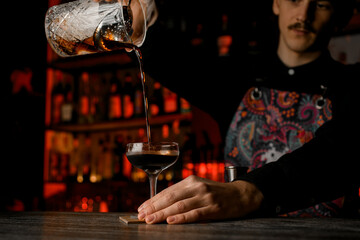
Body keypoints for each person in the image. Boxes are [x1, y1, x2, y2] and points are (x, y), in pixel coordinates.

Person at [137, 0, 360, 224]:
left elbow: (340, 150)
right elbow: (167, 60)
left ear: (340, 17)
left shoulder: (351, 84)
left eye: (321, 4)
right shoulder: (237, 80)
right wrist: (138, 19)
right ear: (276, 4)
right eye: (294, 0)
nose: (303, 15)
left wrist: (247, 192)